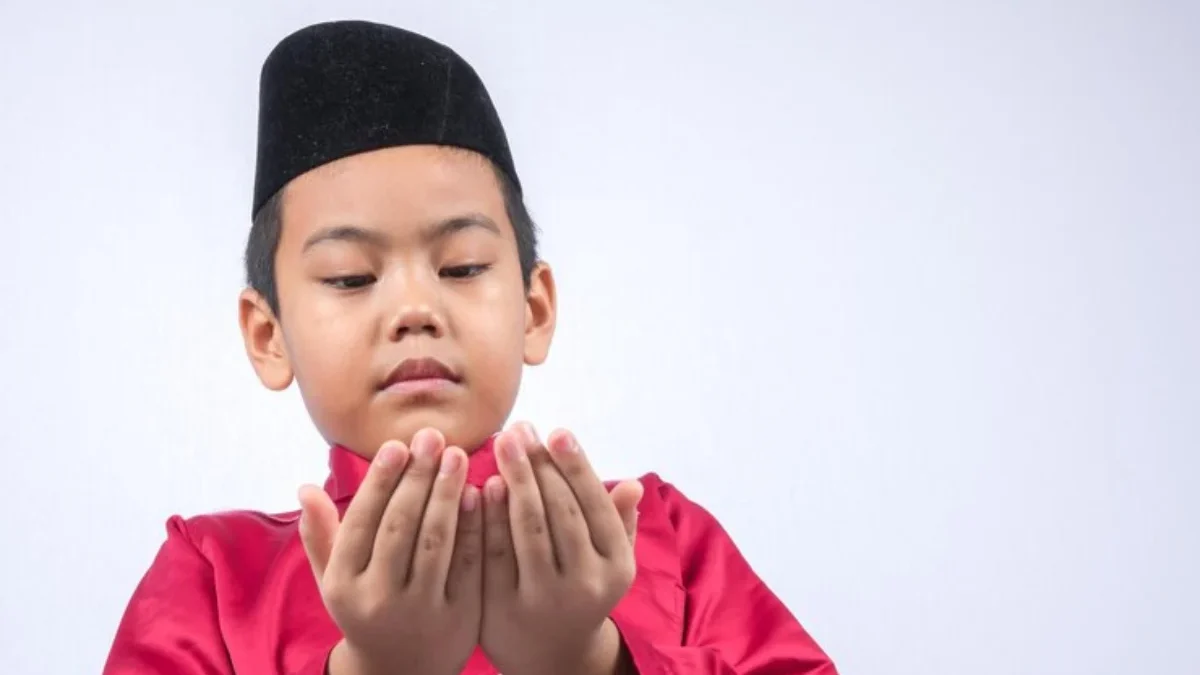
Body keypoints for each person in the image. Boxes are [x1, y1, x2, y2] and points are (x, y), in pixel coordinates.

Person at [103, 19, 838, 675]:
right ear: (269, 335)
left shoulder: (655, 533)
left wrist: (588, 660)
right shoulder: (214, 578)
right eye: (351, 276)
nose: (415, 308)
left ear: (533, 306)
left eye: (460, 266)